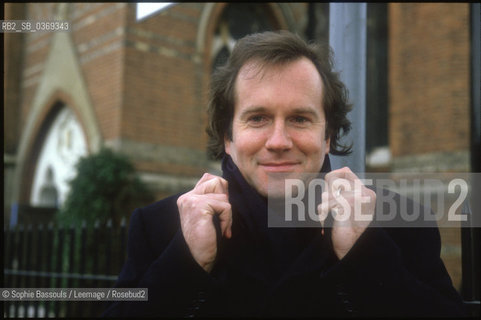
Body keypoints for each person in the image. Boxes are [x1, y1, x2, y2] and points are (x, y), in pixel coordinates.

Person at [103, 31, 466, 317]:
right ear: (228, 137)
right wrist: (185, 263)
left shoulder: (403, 225)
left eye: (299, 119)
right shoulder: (160, 229)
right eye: (257, 118)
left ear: (327, 137)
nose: (278, 141)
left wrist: (366, 257)